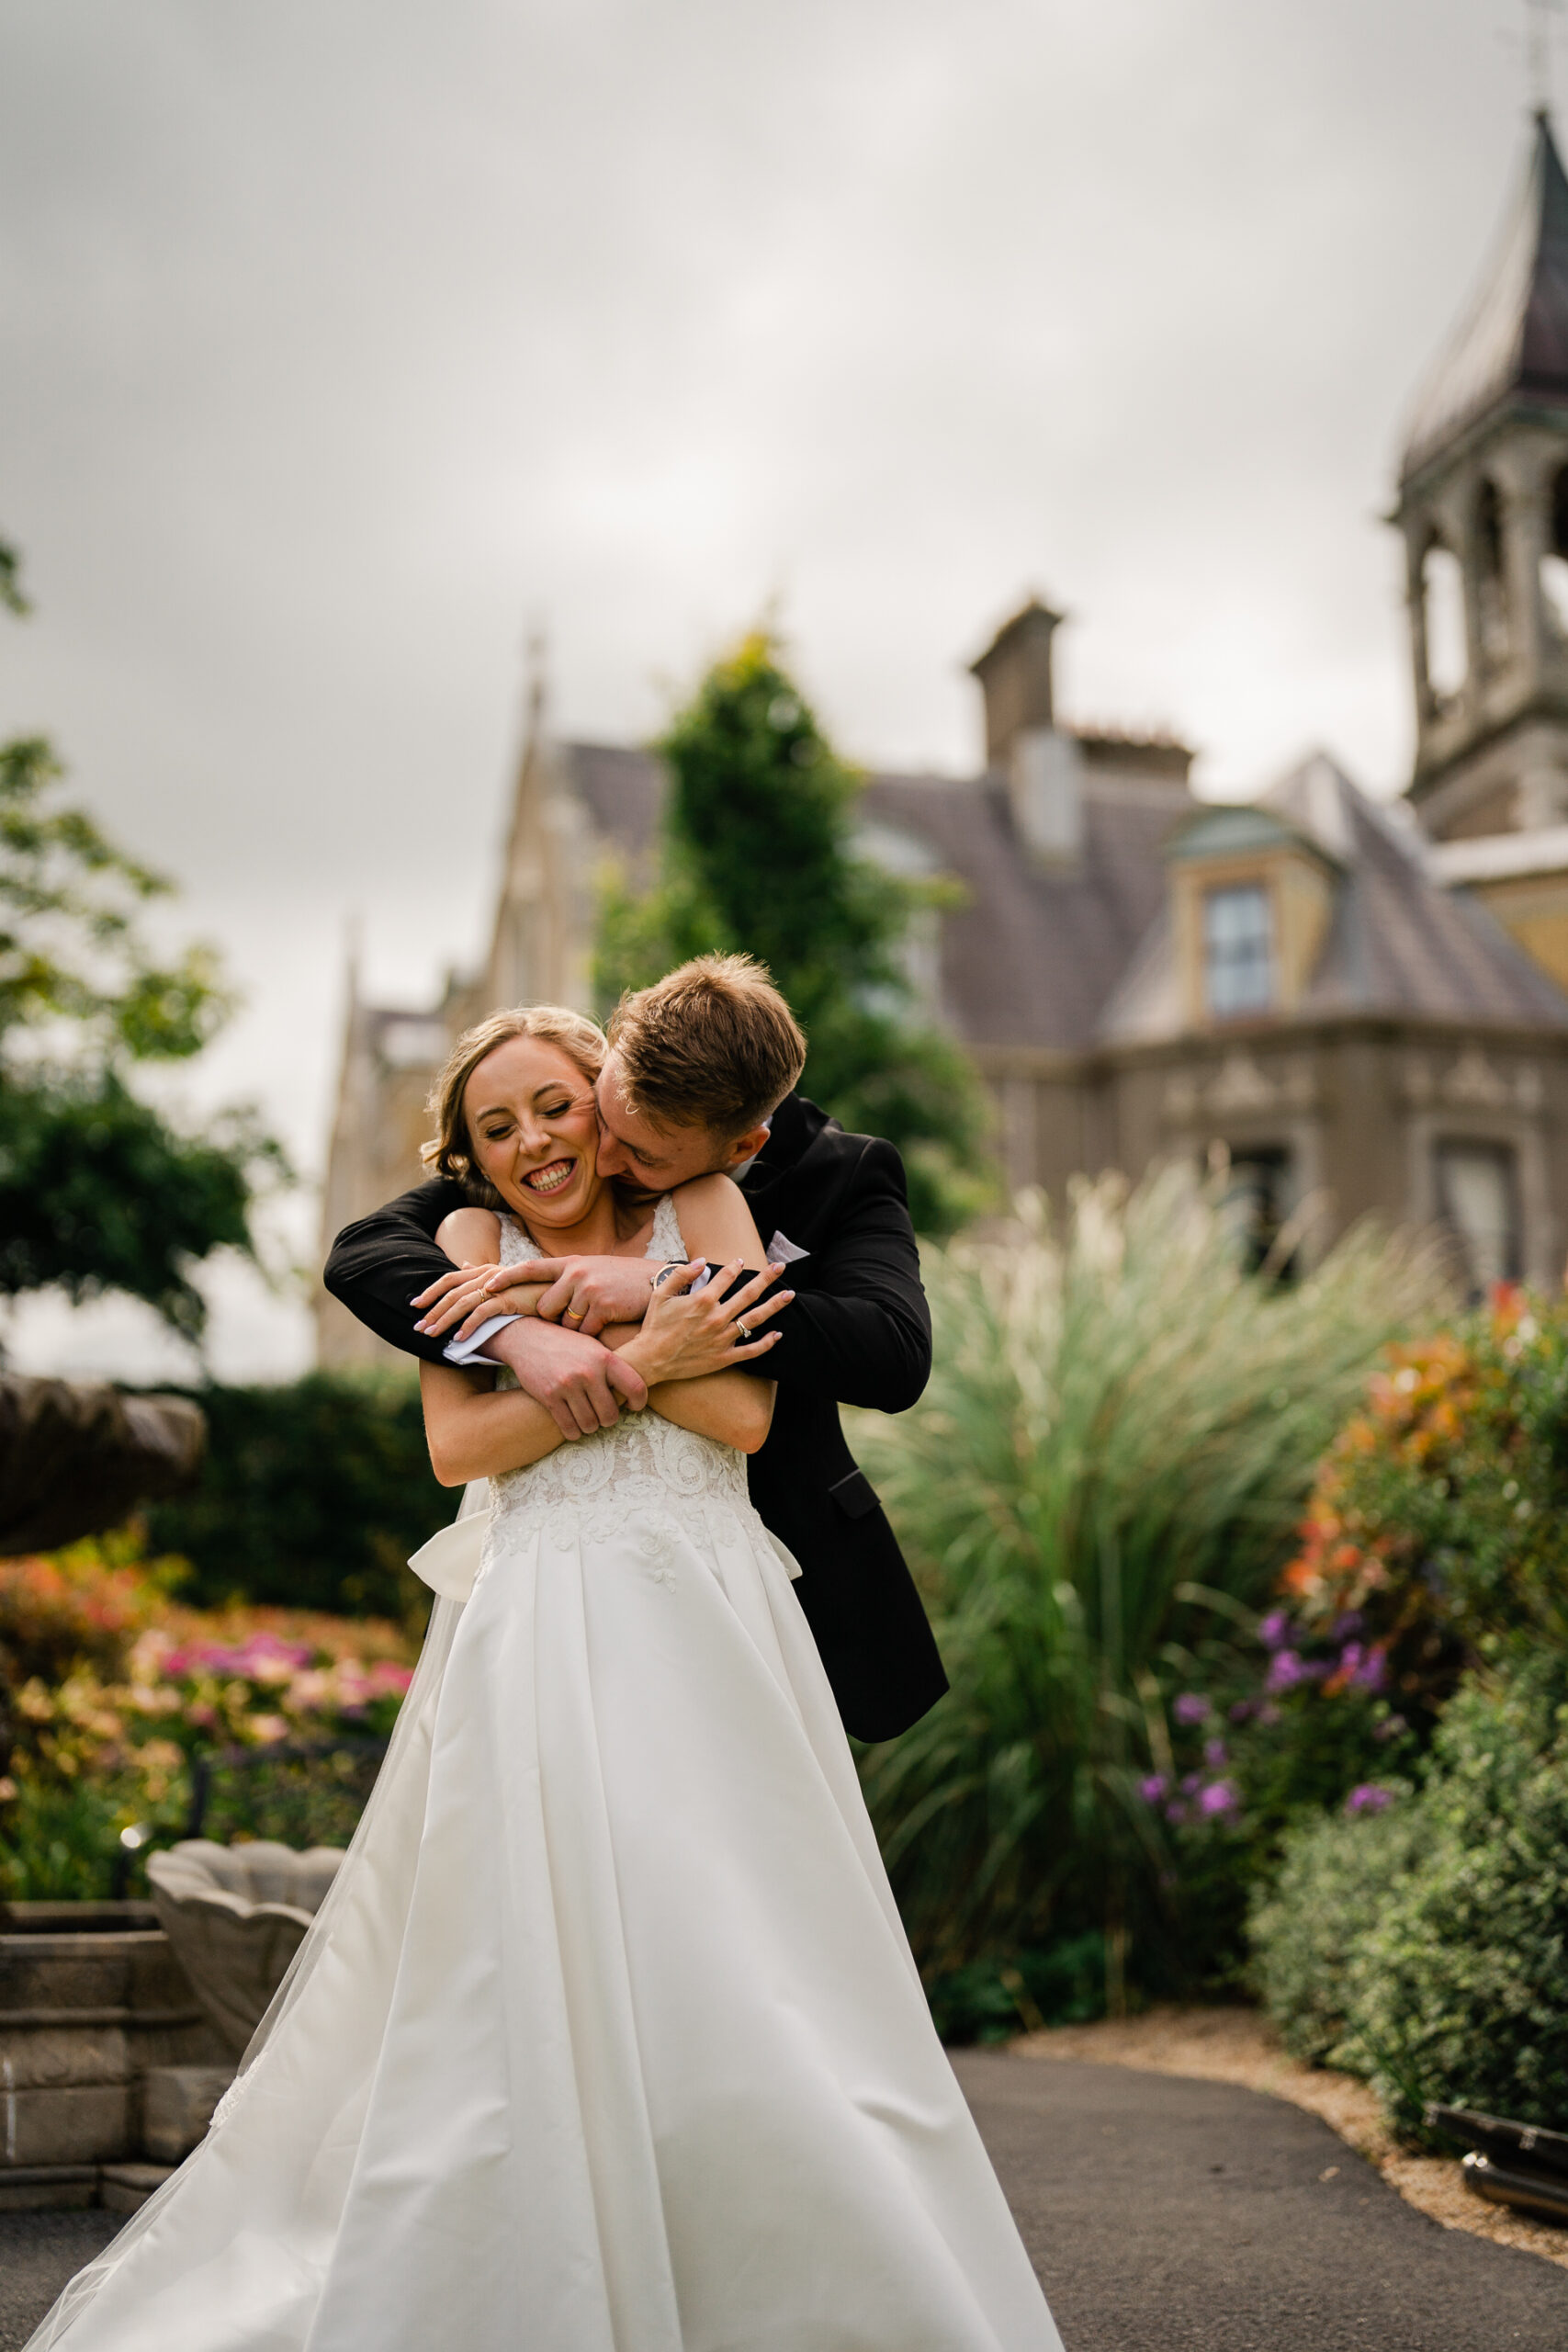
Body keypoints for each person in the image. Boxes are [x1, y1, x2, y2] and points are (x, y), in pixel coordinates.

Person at [28, 1002, 1061, 2352]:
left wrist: (621, 1329)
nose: (539, 1140)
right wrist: (609, 1352)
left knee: (742, 1936)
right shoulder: (458, 1244)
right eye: (495, 1126)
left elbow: (748, 1413)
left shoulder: (709, 1199)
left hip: (709, 1610)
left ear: (605, 1095)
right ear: (465, 1153)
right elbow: (463, 1453)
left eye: (557, 1107)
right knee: (520, 1944)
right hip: (533, 1627)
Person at [323, 953, 948, 1744]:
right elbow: (364, 1253)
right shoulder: (545, 1150)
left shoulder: (836, 1175)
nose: (607, 1163)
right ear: (608, 1060)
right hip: (547, 1581)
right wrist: (515, 1331)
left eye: (642, 1154)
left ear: (738, 1145)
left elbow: (889, 1354)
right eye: (605, 1122)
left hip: (755, 1559)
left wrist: (652, 1286)